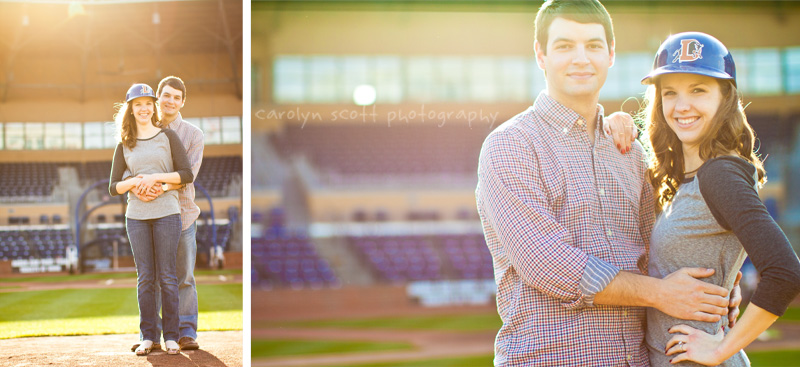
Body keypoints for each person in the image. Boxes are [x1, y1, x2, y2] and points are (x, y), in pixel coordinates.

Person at [476, 1, 739, 365]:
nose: (581, 58)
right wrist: (662, 294)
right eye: (565, 46)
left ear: (611, 54)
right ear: (541, 55)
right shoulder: (510, 145)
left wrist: (716, 285)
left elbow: (656, 250)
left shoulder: (631, 153)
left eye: (594, 46)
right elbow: (548, 264)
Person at [635, 32, 800, 366]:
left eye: (698, 90)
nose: (682, 106)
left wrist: (719, 349)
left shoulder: (719, 174)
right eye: (670, 93)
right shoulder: (688, 179)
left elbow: (785, 272)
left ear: (724, 97)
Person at [109, 83, 194, 355]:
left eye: (148, 103)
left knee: (168, 276)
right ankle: (148, 336)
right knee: (145, 277)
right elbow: (113, 186)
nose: (143, 108)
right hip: (136, 216)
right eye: (138, 104)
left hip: (167, 213)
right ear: (131, 110)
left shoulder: (167, 137)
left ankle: (171, 335)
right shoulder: (124, 144)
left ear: (153, 107)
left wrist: (154, 179)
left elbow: (185, 174)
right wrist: (135, 182)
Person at [128, 76, 205, 351]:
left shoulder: (194, 135)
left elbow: (188, 176)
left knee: (182, 276)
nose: (170, 101)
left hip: (182, 215)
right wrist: (141, 188)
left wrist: (155, 186)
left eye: (176, 97)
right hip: (148, 214)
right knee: (153, 277)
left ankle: (186, 332)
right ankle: (153, 334)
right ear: (158, 97)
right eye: (166, 95)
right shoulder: (144, 128)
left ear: (182, 101)